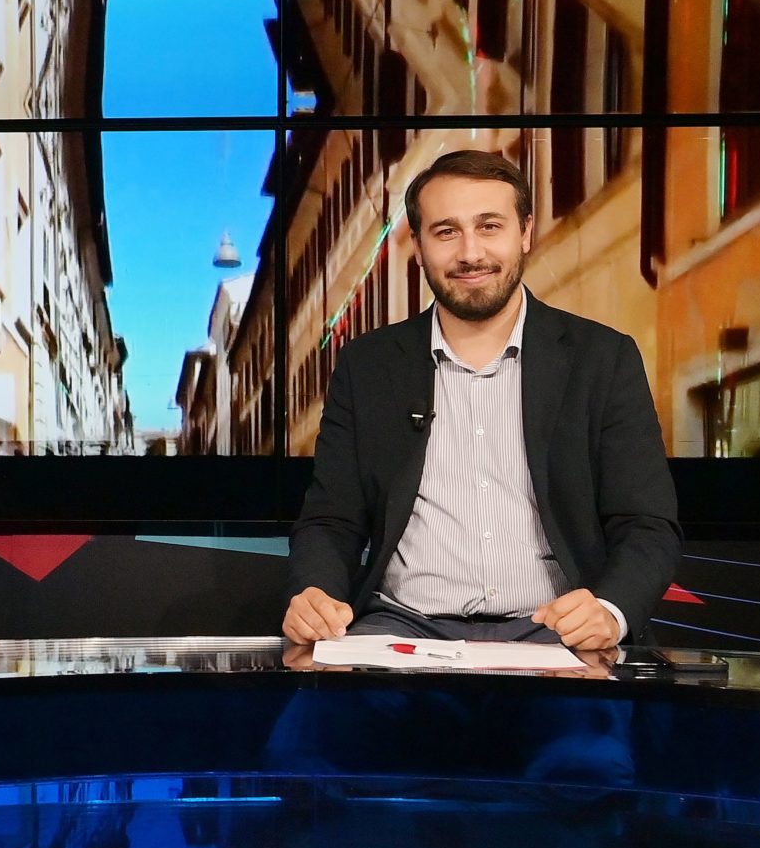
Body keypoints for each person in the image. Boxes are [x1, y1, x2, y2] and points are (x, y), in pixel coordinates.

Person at [283, 150, 679, 656]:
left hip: (557, 631)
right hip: (402, 628)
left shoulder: (603, 358)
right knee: (319, 708)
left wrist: (610, 610)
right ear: (418, 247)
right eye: (446, 232)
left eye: (489, 226)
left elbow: (647, 524)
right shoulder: (368, 366)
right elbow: (330, 520)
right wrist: (315, 593)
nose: (470, 253)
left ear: (525, 232)